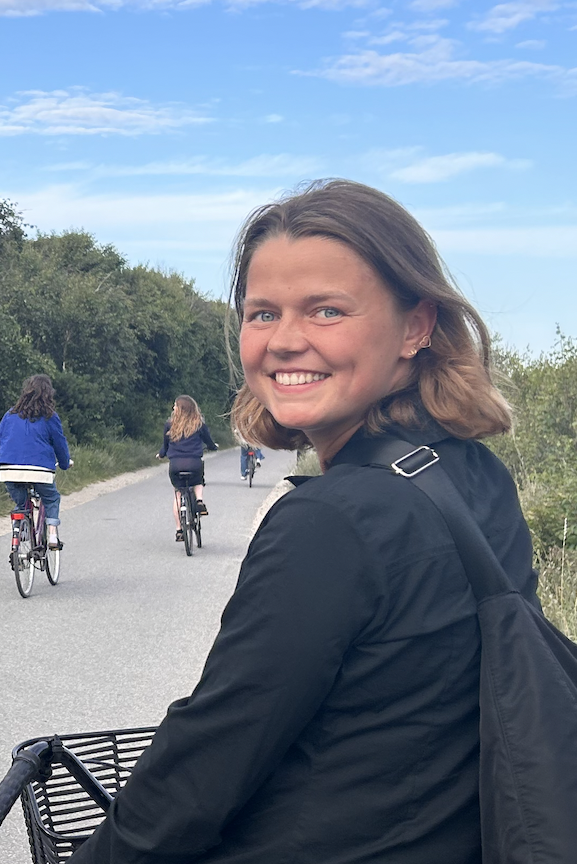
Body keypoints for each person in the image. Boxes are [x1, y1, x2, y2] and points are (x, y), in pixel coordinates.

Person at [68, 180, 536, 864]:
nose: (285, 341)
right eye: (262, 314)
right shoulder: (474, 474)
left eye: (326, 310)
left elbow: (207, 763)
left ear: (415, 326)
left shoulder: (331, 522)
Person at [0, 374, 72, 549]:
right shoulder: (50, 417)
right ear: (48, 394)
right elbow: (60, 444)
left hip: (9, 469)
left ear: (26, 391)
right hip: (40, 470)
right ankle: (52, 535)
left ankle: (21, 529)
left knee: (22, 503)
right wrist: (65, 463)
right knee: (51, 498)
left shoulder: (10, 414)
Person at [157, 395, 218, 539]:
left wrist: (161, 454)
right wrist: (213, 447)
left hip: (176, 465)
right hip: (194, 463)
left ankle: (179, 531)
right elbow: (208, 441)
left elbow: (165, 445)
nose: (173, 408)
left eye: (175, 405)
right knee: (198, 480)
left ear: (179, 409)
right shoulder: (199, 424)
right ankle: (199, 501)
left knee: (178, 494)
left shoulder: (170, 425)